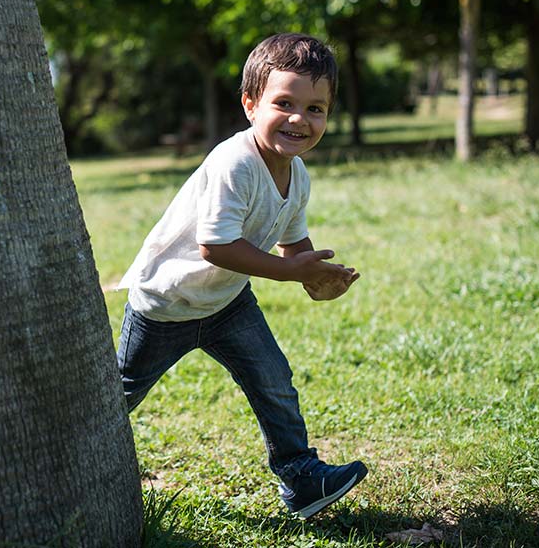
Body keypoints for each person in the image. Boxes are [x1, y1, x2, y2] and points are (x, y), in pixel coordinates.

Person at [116, 33, 367, 520]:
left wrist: (315, 275)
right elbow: (216, 245)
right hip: (166, 304)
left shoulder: (296, 172)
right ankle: (60, 454)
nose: (300, 118)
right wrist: (287, 271)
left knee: (273, 381)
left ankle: (301, 478)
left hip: (227, 304)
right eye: (285, 103)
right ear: (251, 105)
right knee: (118, 394)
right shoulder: (236, 162)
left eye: (316, 109)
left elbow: (293, 242)